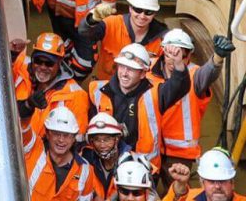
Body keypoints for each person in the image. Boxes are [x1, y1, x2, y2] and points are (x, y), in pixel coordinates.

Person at [148, 29, 234, 187]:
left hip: (179, 155)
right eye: (170, 55)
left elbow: (209, 72)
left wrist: (218, 57)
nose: (174, 60)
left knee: (177, 194)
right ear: (162, 51)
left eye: (181, 56)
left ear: (189, 55)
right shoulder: (147, 70)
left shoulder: (194, 75)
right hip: (150, 148)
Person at [88, 43, 190, 170]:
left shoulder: (155, 94)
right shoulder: (97, 91)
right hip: (105, 165)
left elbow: (180, 87)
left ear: (142, 74)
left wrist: (179, 64)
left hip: (143, 167)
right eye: (122, 67)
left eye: (130, 69)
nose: (124, 74)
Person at [79, 0, 168, 80]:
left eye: (148, 12)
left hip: (142, 91)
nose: (142, 16)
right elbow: (84, 32)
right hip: (106, 88)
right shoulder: (112, 24)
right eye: (138, 10)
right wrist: (92, 19)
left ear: (155, 13)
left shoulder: (164, 37)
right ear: (130, 8)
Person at [11, 32, 90, 137]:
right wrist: (11, 53)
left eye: (49, 63)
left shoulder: (76, 96)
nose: (43, 67)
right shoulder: (21, 68)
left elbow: (76, 139)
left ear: (60, 63)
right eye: (38, 61)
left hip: (44, 151)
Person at [20, 105, 98, 200]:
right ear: (48, 134)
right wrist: (27, 107)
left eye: (66, 135)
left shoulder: (85, 170)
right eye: (56, 134)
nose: (61, 140)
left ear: (74, 138)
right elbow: (23, 128)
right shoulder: (33, 148)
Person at [164, 148, 244, 201]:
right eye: (211, 181)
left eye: (223, 181)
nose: (217, 186)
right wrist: (180, 185)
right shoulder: (189, 197)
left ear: (232, 183)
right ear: (202, 183)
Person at [82, 113, 131, 199]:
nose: (102, 145)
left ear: (117, 139)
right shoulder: (84, 161)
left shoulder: (133, 162)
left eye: (107, 139)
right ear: (91, 141)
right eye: (97, 140)